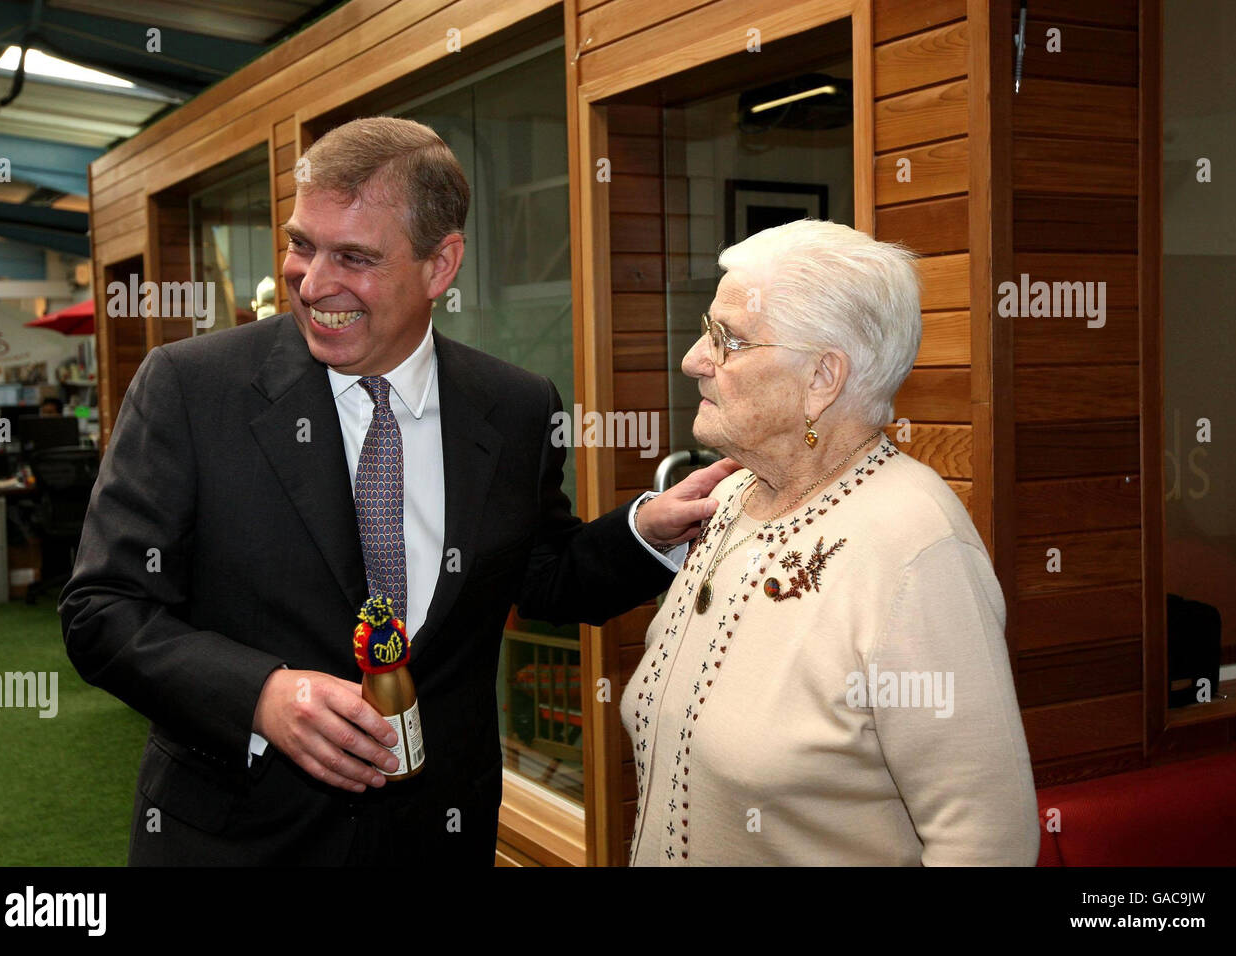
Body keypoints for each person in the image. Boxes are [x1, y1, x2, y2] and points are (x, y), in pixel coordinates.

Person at [60, 116, 734, 866]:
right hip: (235, 840)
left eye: (355, 256)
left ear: (441, 265)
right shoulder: (191, 389)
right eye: (300, 245)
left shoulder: (514, 405)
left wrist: (647, 531)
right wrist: (259, 696)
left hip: (437, 834)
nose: (314, 284)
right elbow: (104, 610)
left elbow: (536, 570)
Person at [625, 220, 1039, 865]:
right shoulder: (734, 498)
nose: (693, 360)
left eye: (727, 339)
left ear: (823, 378)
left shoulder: (915, 550)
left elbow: (988, 842)